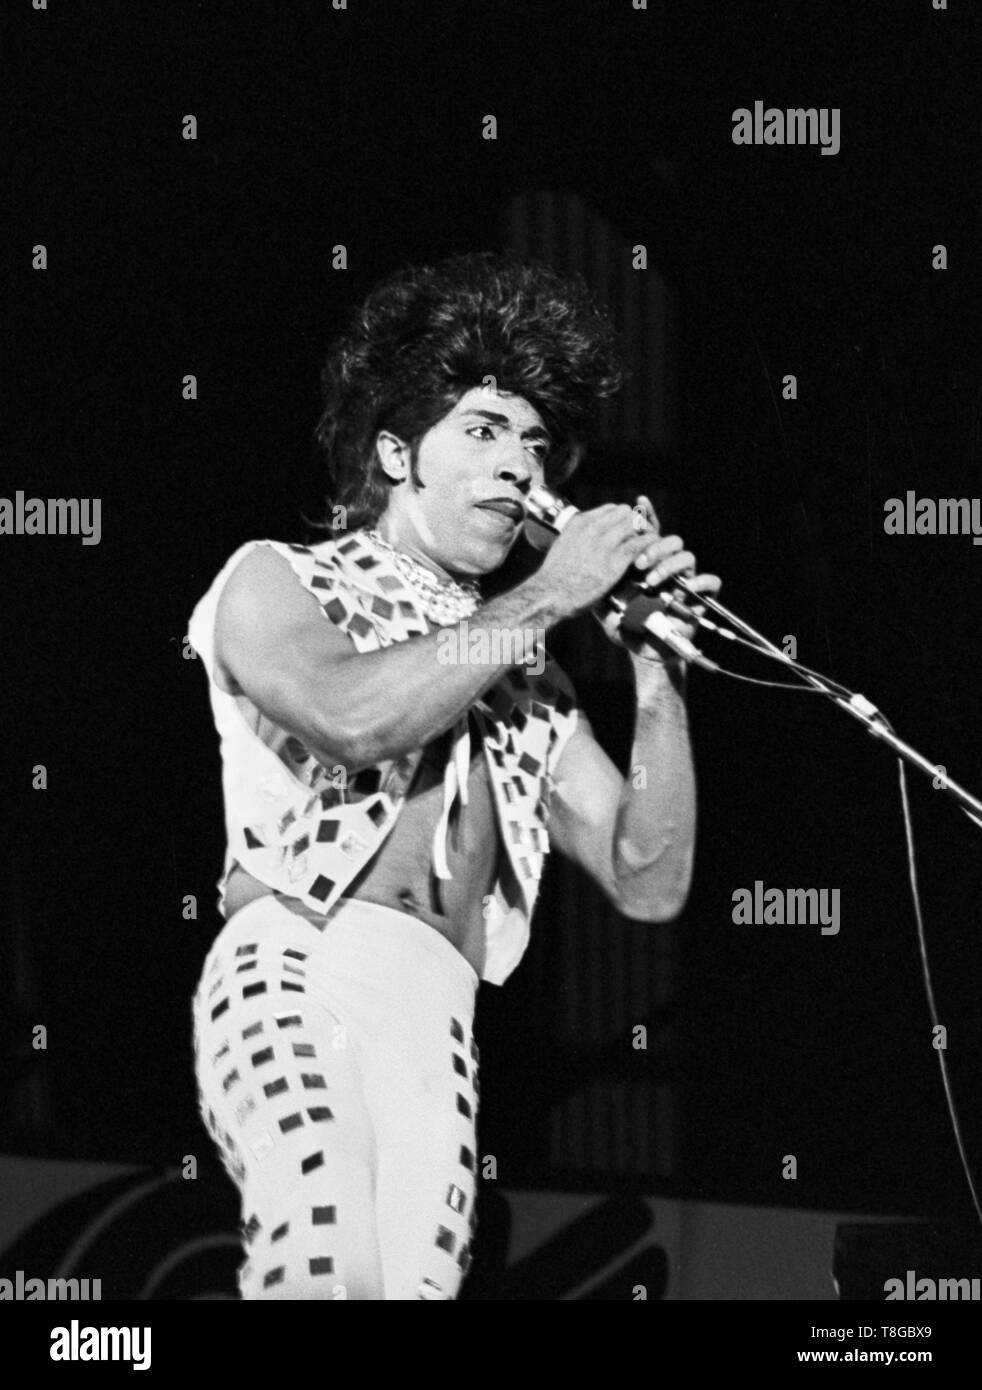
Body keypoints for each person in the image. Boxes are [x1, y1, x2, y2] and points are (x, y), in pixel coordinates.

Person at [187, 251, 721, 1300]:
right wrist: (545, 598)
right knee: (321, 1262)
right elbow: (348, 716)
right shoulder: (280, 578)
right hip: (301, 955)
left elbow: (646, 878)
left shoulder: (536, 686)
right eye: (480, 431)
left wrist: (655, 675)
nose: (518, 465)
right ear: (397, 452)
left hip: (437, 1008)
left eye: (532, 443)